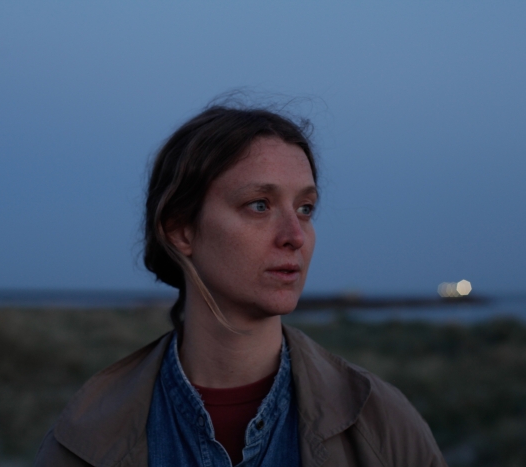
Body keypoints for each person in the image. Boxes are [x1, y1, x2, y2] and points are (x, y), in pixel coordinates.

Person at [34, 104, 447, 466]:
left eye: (305, 209)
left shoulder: (381, 424)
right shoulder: (87, 439)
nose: (295, 236)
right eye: (259, 205)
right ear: (181, 230)